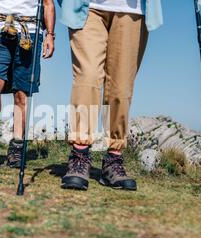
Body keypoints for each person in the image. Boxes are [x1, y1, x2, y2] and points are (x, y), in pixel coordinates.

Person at [58, 0, 163, 191]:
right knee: (87, 77)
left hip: (132, 9)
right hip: (87, 7)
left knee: (121, 87)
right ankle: (79, 155)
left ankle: (113, 159)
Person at [0, 0, 55, 168]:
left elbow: (48, 4)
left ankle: (17, 147)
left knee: (22, 92)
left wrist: (50, 35)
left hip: (29, 32)